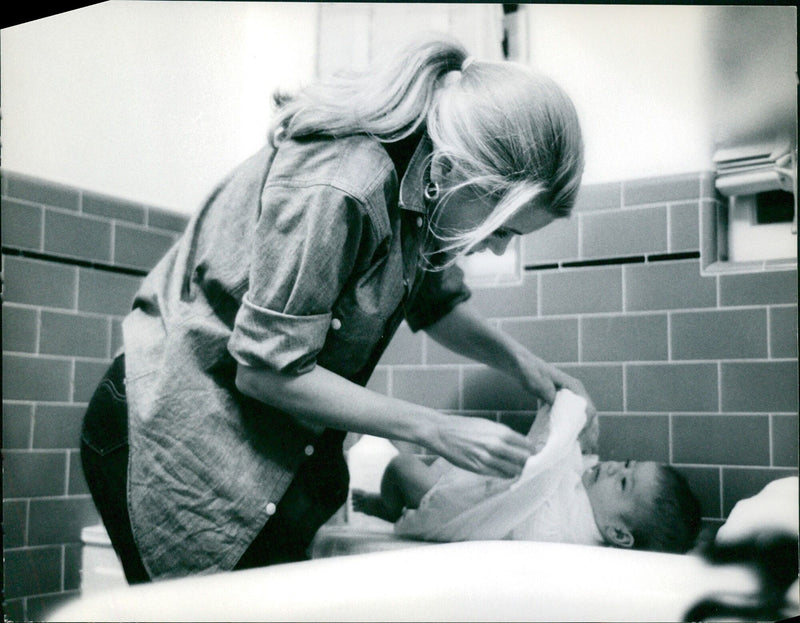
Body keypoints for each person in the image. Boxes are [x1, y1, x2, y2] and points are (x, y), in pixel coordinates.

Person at [80, 34, 596, 583]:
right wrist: (435, 429)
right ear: (455, 172)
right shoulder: (344, 182)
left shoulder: (428, 186)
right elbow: (265, 372)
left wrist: (527, 368)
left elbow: (434, 302)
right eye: (503, 229)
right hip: (178, 431)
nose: (498, 247)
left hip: (268, 450)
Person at [353, 390, 702, 554]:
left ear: (618, 533)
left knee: (402, 465)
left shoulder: (569, 534)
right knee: (402, 437)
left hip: (464, 511)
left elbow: (542, 476)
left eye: (623, 482)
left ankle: (388, 507)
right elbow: (558, 465)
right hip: (477, 490)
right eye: (625, 464)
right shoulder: (589, 500)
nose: (612, 468)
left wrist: (567, 421)